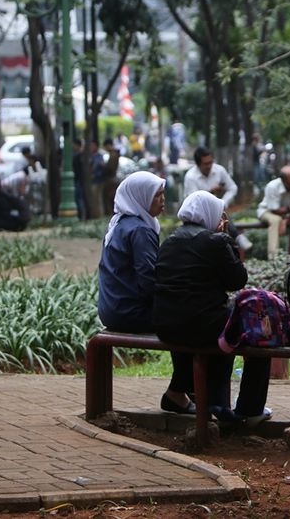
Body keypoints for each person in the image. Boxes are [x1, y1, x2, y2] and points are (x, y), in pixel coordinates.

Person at [154, 191, 272, 423]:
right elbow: (237, 280)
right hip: (202, 325)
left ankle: (210, 403)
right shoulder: (215, 240)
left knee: (215, 328)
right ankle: (250, 410)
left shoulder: (170, 240)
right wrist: (227, 237)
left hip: (165, 324)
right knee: (259, 336)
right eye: (221, 214)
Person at [97, 171, 194, 414]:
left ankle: (188, 390)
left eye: (162, 194)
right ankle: (177, 393)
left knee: (182, 316)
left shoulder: (120, 222)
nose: (162, 200)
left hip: (111, 310)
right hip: (130, 312)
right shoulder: (140, 230)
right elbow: (150, 281)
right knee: (189, 321)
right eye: (156, 195)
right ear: (140, 197)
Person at [184, 147, 251, 253]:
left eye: (211, 162)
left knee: (221, 215)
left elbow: (232, 187)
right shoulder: (190, 177)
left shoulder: (219, 170)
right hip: (198, 215)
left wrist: (223, 202)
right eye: (205, 164)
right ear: (198, 164)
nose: (209, 166)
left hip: (219, 212)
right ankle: (238, 237)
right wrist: (210, 192)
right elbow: (194, 201)